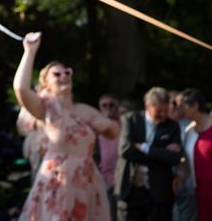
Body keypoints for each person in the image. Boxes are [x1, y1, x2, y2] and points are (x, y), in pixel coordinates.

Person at [13, 32, 119, 221]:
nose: (64, 76)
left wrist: (107, 125)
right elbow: (21, 89)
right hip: (57, 182)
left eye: (67, 72)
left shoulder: (85, 110)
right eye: (57, 74)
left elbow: (114, 132)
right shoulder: (45, 108)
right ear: (46, 82)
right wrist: (30, 51)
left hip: (87, 182)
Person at [115, 87, 182, 221]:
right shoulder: (131, 120)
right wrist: (161, 153)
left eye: (166, 110)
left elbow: (174, 158)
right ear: (147, 106)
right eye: (158, 111)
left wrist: (145, 147)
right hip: (131, 189)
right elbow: (126, 150)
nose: (163, 115)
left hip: (159, 192)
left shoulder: (172, 126)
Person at [178, 88, 212, 220]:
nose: (181, 110)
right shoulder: (188, 131)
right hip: (199, 190)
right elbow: (185, 159)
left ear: (196, 105)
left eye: (183, 106)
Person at [97, 93, 120, 220]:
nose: (108, 108)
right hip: (102, 179)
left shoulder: (123, 126)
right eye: (104, 105)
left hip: (120, 178)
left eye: (111, 105)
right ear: (100, 108)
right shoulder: (95, 128)